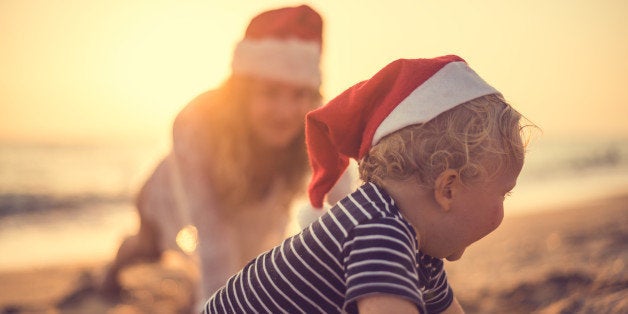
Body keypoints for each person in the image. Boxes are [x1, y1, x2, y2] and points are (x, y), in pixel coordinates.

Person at [201, 55, 533, 313]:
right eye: (505, 192)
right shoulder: (380, 231)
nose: (504, 204)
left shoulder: (418, 244)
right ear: (448, 188)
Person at [100, 4, 352, 310]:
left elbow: (347, 204)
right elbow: (210, 232)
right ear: (242, 93)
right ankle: (111, 274)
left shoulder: (314, 129)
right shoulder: (195, 123)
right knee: (145, 247)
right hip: (168, 192)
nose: (285, 112)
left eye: (299, 95)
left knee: (242, 264)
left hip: (243, 209)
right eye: (270, 93)